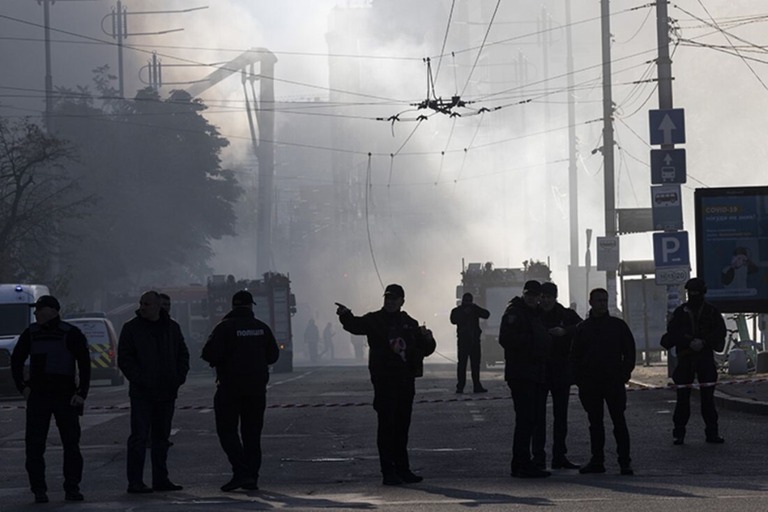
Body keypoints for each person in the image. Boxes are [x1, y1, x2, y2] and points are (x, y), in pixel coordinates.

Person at [336, 283, 436, 485]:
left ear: (402, 301)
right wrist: (345, 315)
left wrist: (428, 338)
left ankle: (403, 469)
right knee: (386, 427)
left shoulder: (410, 323)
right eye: (387, 298)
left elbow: (425, 349)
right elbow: (355, 325)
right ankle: (388, 472)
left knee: (402, 428)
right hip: (385, 382)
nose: (390, 302)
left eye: (394, 298)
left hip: (405, 382)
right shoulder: (375, 320)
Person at [10, 295, 91, 504]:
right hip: (39, 396)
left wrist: (81, 393)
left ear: (52, 311)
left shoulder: (70, 334)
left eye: (39, 310)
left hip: (65, 396)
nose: (36, 314)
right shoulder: (32, 333)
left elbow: (84, 364)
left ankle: (72, 487)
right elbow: (16, 359)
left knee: (71, 445)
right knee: (34, 446)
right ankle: (39, 490)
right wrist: (22, 387)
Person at [202, 290, 280, 492]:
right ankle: (251, 477)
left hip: (229, 388)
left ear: (233, 306)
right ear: (250, 306)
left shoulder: (224, 328)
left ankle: (241, 472)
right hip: (256, 390)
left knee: (227, 431)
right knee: (252, 435)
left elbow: (208, 353)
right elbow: (273, 356)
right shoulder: (261, 328)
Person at [118, 291, 190, 494]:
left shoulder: (172, 328)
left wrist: (177, 378)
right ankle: (135, 481)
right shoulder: (131, 329)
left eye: (147, 304)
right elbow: (125, 359)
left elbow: (182, 354)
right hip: (142, 393)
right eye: (141, 303)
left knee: (161, 438)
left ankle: (161, 479)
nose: (142, 307)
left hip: (166, 392)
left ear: (158, 306)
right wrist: (141, 380)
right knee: (139, 438)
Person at [571, 288, 635, 476]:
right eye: (598, 300)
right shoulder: (583, 328)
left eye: (604, 300)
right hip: (591, 384)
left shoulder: (617, 326)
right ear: (591, 302)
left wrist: (624, 374)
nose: (602, 304)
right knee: (595, 423)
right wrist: (580, 380)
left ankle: (625, 462)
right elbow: (575, 356)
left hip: (613, 382)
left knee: (619, 422)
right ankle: (597, 460)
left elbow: (629, 352)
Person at [661, 277, 726, 445]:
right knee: (683, 399)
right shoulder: (681, 312)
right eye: (691, 293)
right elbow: (672, 334)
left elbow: (720, 332)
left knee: (708, 399)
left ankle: (712, 433)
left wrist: (704, 342)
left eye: (696, 292)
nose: (693, 296)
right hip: (686, 358)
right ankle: (679, 433)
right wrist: (688, 342)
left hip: (704, 358)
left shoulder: (711, 312)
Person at [498, 280, 551, 478]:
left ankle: (525, 461)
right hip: (521, 373)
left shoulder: (536, 314)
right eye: (528, 295)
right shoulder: (515, 313)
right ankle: (520, 463)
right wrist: (532, 341)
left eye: (535, 295)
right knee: (525, 419)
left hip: (535, 372)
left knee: (532, 420)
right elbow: (506, 339)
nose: (531, 298)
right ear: (524, 294)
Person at [532, 282, 582, 470]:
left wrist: (565, 332)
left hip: (561, 370)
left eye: (549, 297)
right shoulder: (534, 313)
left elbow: (582, 327)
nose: (545, 301)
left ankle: (559, 456)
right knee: (538, 418)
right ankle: (538, 457)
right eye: (543, 297)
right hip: (540, 371)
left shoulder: (565, 314)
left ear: (555, 297)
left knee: (560, 417)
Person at [450, 292, 490, 393]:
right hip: (464, 341)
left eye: (469, 301)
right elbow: (453, 320)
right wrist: (464, 313)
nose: (468, 303)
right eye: (466, 301)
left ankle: (476, 385)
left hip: (474, 341)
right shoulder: (457, 311)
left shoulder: (474, 309)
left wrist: (475, 308)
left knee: (475, 365)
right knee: (462, 365)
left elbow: (486, 314)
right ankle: (460, 386)